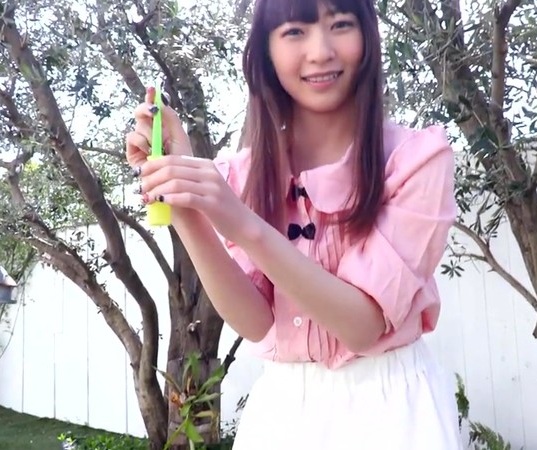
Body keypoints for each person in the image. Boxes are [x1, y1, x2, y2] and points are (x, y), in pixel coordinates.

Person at [125, 0, 462, 448]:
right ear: (265, 52)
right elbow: (255, 323)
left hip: (392, 409)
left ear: (368, 38)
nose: (321, 51)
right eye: (295, 32)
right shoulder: (245, 173)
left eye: (341, 24)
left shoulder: (415, 160)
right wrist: (183, 198)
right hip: (281, 412)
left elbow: (362, 326)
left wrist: (244, 224)